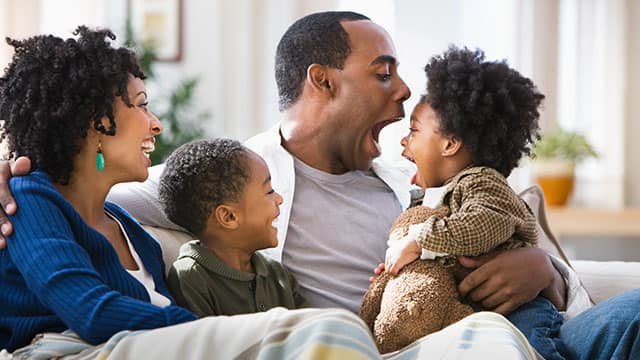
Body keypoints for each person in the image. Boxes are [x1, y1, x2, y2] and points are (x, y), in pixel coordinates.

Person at [0, 12, 637, 359]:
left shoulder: (409, 180)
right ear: (322, 82)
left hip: (526, 327)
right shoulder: (237, 174)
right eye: (383, 72)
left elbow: (495, 221)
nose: (407, 90)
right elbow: (87, 188)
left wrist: (546, 272)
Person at [0, 26, 440, 360]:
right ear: (97, 120)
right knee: (327, 331)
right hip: (67, 350)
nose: (156, 124)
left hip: (144, 347)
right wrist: (212, 329)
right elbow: (91, 310)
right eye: (141, 104)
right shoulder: (30, 198)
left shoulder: (129, 228)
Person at [384, 45, 567, 359]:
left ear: (451, 143)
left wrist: (417, 241)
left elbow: (484, 223)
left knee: (532, 350)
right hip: (474, 316)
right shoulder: (429, 197)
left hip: (520, 310)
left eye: (413, 130)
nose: (403, 140)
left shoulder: (481, 181)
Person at [159, 138, 306, 317]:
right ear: (229, 217)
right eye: (269, 191)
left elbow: (310, 332)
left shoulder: (277, 274)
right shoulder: (191, 278)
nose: (279, 199)